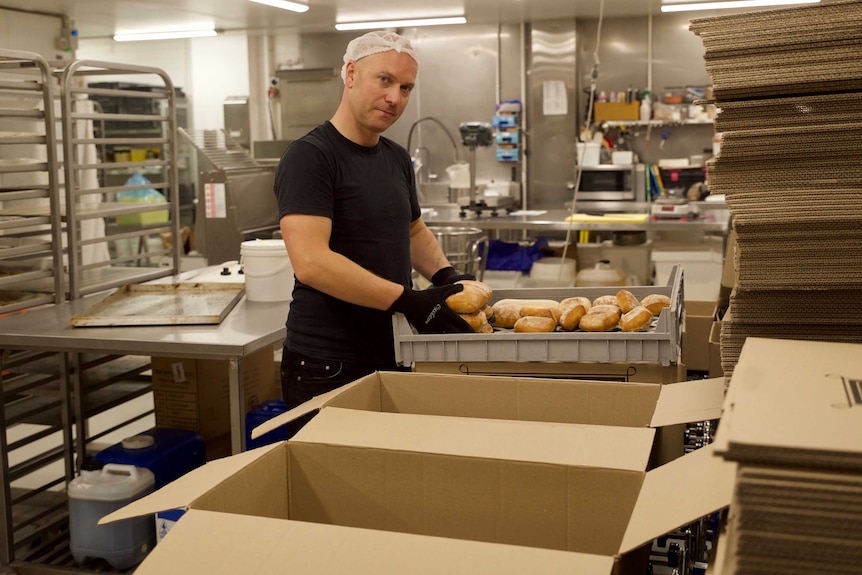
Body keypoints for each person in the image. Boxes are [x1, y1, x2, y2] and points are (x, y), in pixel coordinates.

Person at [274, 30, 474, 436]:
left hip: (391, 349)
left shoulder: (396, 158)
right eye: (384, 80)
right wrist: (408, 300)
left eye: (405, 88)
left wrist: (445, 276)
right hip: (327, 362)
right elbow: (312, 262)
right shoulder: (311, 156)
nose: (395, 98)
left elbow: (413, 229)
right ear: (350, 74)